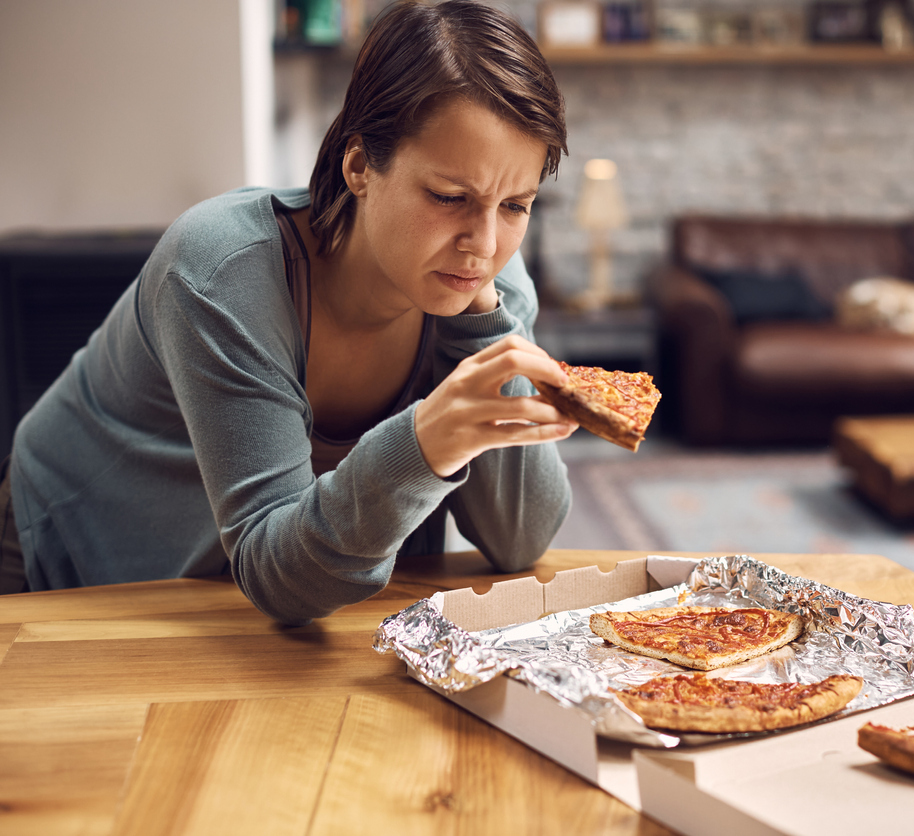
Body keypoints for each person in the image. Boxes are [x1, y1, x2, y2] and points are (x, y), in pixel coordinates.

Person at [0, 0, 578, 624]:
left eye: (516, 205)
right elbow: (275, 574)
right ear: (359, 164)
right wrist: (424, 445)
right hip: (67, 563)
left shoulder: (488, 285)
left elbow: (520, 539)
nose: (484, 244)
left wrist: (482, 329)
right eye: (448, 196)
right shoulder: (222, 272)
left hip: (249, 598)